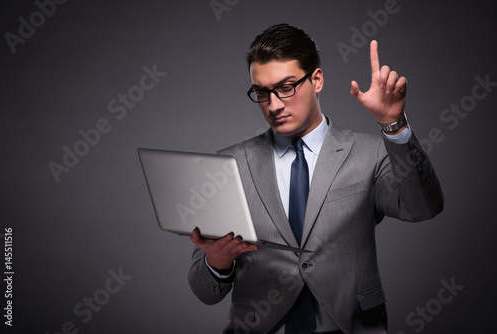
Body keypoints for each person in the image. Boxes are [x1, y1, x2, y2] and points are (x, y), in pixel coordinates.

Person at [188, 23, 443, 334]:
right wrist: (217, 263)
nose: (274, 104)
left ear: (317, 80)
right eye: (262, 92)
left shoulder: (369, 153)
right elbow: (204, 292)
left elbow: (423, 208)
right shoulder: (228, 166)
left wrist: (394, 125)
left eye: (286, 87)